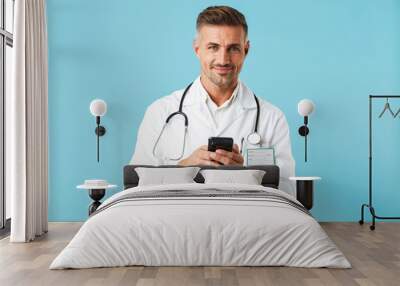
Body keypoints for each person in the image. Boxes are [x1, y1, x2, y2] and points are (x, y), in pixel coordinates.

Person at [130, 6, 295, 195]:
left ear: (246, 50)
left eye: (233, 48)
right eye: (213, 47)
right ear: (197, 49)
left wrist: (245, 175)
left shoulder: (271, 118)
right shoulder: (160, 112)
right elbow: (136, 186)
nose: (223, 59)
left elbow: (287, 192)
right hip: (179, 220)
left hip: (243, 220)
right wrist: (184, 168)